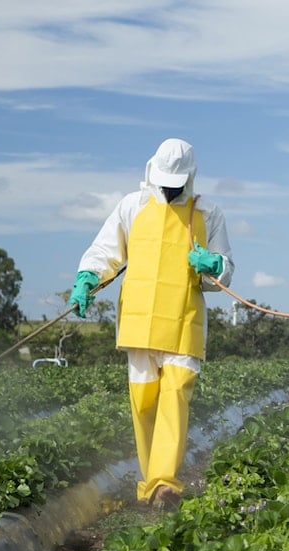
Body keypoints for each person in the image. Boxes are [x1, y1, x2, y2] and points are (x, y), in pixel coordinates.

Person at [70, 138, 234, 508]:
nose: (170, 187)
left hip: (183, 320)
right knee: (144, 404)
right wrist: (86, 279)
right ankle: (150, 487)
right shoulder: (133, 206)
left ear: (190, 177)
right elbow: (105, 251)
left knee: (175, 397)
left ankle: (165, 484)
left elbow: (224, 271)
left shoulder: (207, 213)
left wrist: (213, 265)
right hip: (139, 322)